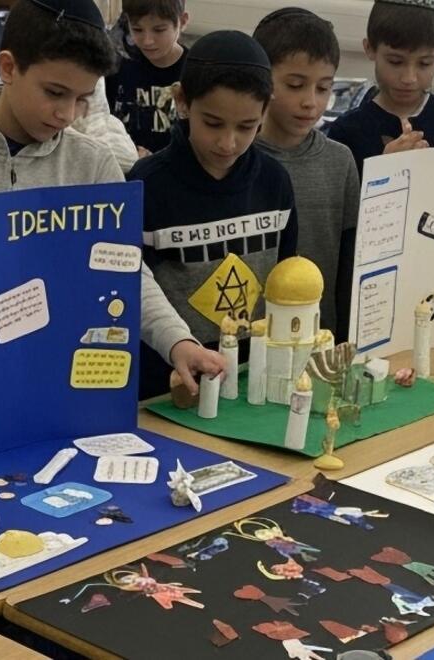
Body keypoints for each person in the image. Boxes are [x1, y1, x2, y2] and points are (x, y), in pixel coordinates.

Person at [0, 0, 225, 399]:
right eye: (55, 92)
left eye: (82, 98)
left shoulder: (92, 163)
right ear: (8, 68)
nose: (66, 114)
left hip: (66, 382)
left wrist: (179, 342)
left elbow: (123, 270)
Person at [128, 30, 299, 397]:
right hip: (168, 389)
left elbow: (285, 281)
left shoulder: (275, 183)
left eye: (247, 127)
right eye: (213, 123)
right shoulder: (145, 185)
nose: (228, 143)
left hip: (253, 383)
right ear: (182, 101)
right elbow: (132, 291)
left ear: (266, 111)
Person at [253, 8, 359, 339]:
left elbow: (348, 265)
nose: (310, 102)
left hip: (319, 337)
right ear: (261, 79)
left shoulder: (339, 161)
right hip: (250, 339)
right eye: (295, 85)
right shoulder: (241, 159)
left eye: (323, 88)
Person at [327, 0, 434, 176]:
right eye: (395, 62)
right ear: (369, 48)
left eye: (425, 63)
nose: (409, 78)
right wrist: (384, 171)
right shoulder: (347, 133)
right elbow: (341, 201)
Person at [105, 0, 189, 156]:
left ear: (182, 22)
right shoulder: (118, 66)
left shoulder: (194, 73)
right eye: (137, 29)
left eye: (159, 30)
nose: (147, 41)